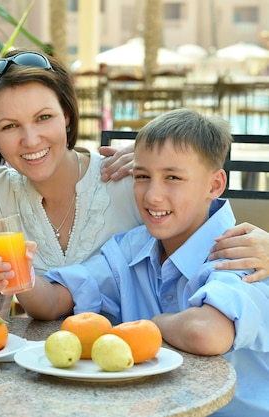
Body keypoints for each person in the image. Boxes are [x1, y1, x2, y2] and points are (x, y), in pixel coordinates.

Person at [44, 109, 268, 416]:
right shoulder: (132, 247)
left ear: (214, 186)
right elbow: (55, 297)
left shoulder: (242, 250)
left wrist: (147, 326)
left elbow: (206, 333)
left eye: (172, 177)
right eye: (142, 176)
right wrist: (15, 273)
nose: (153, 195)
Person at [0, 49, 142, 318]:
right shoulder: (3, 191)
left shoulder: (123, 176)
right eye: (10, 126)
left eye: (43, 118)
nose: (31, 140)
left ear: (66, 115)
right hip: (45, 358)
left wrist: (159, 156)